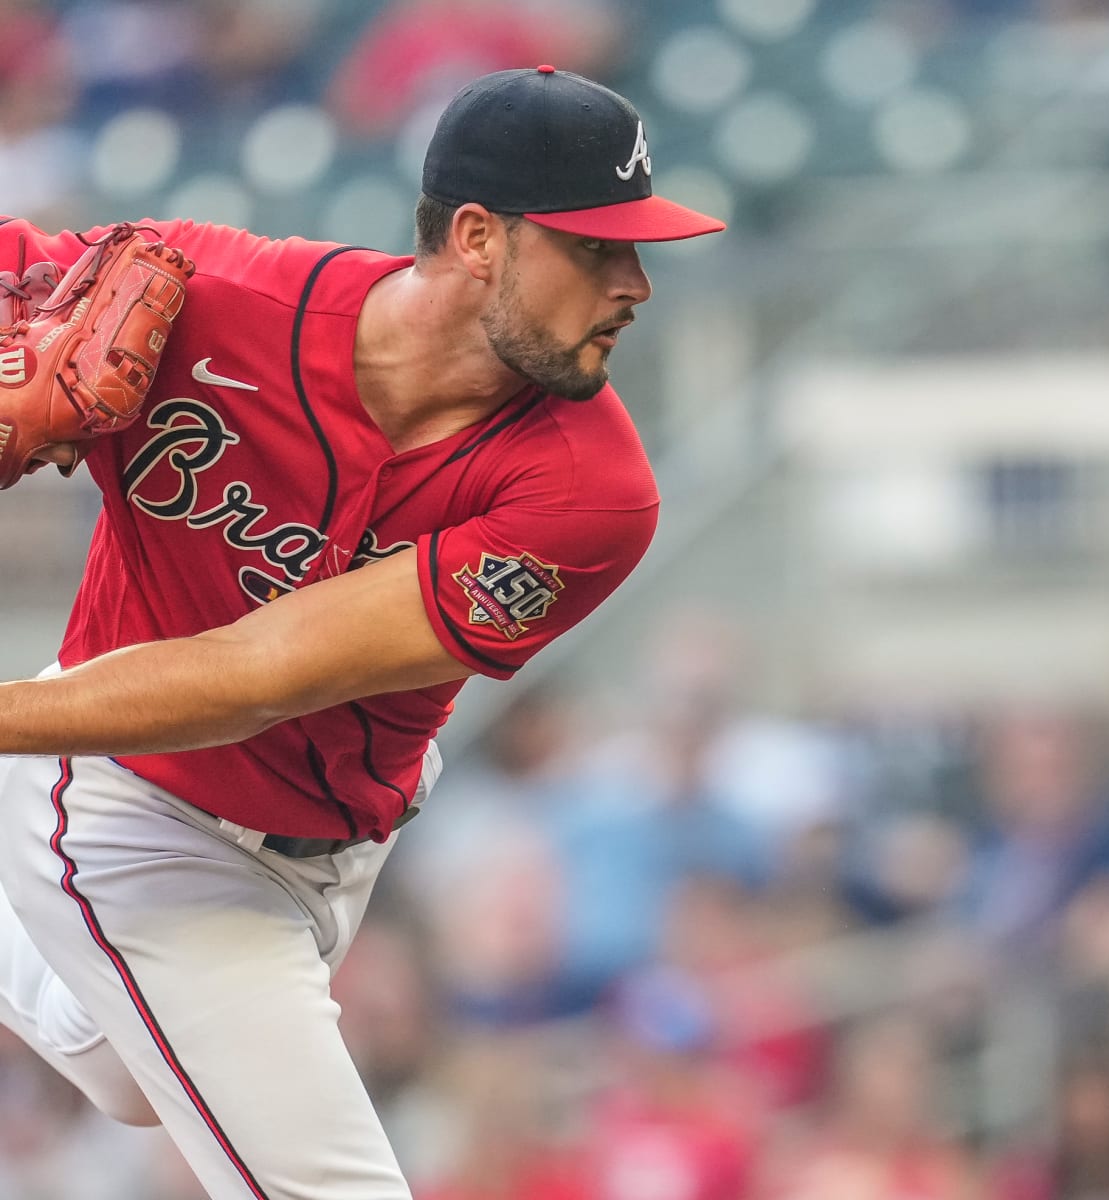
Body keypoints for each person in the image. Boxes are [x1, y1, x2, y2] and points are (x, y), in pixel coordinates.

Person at [0, 65, 724, 1199]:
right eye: (595, 247)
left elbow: (262, 669)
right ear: (478, 237)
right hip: (127, 802)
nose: (633, 283)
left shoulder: (593, 489)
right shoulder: (206, 296)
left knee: (130, 1078)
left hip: (333, 842)